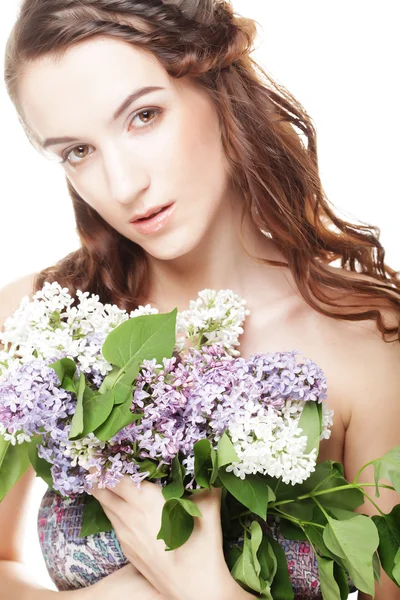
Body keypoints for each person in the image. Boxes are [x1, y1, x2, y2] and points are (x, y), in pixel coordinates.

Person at [1, 0, 399, 598]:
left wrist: (207, 588)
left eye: (143, 116)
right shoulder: (36, 321)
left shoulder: (366, 343)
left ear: (218, 85)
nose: (123, 184)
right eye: (77, 151)